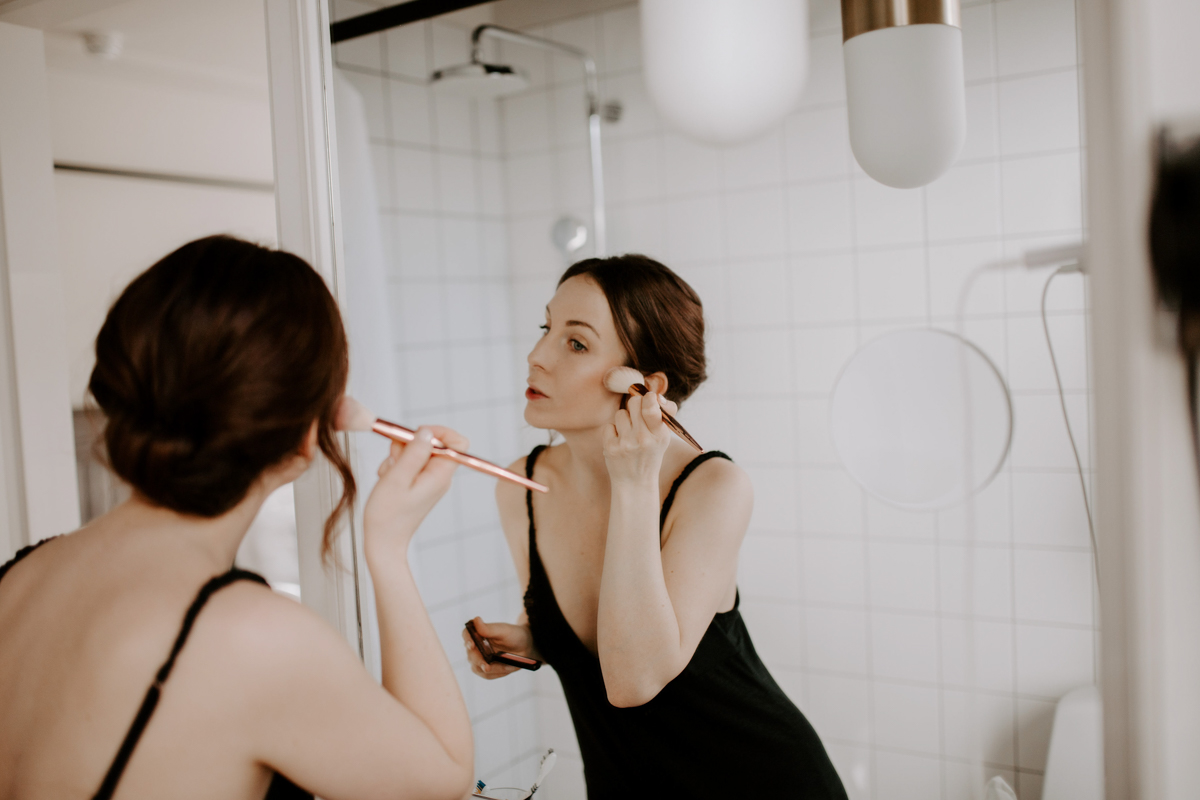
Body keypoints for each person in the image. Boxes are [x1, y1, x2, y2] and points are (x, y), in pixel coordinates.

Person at [0, 236, 474, 800]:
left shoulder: (21, 578)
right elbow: (442, 779)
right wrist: (388, 550)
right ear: (305, 439)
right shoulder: (249, 638)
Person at [464, 255, 847, 798]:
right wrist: (532, 640)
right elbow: (600, 639)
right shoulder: (519, 486)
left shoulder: (713, 487)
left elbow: (633, 679)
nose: (536, 356)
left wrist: (634, 483)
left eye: (575, 344)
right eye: (546, 328)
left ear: (642, 386)